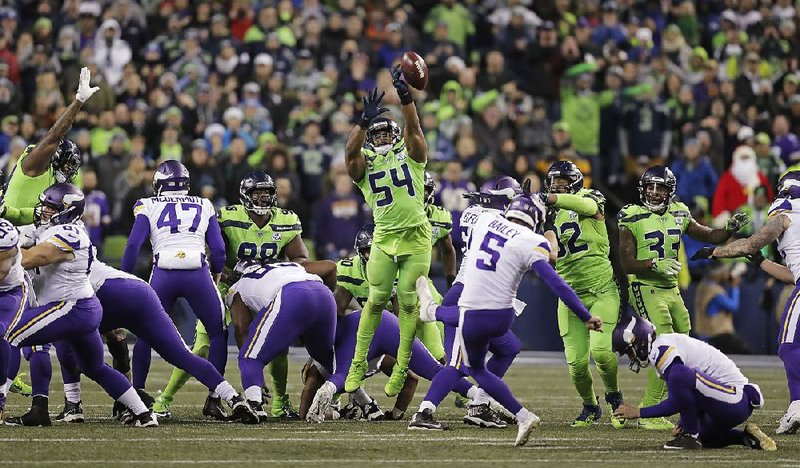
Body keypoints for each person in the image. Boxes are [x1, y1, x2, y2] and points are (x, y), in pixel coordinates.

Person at [415, 194, 602, 446]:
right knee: (485, 363)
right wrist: (585, 315)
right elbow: (555, 281)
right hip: (502, 314)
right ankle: (510, 412)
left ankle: (431, 311)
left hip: (475, 308)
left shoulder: (484, 222)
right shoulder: (532, 240)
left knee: (468, 358)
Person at [152, 171, 307, 420]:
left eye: (266, 193)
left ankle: (281, 402)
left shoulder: (285, 220)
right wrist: (227, 275)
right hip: (227, 287)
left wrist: (275, 270)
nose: (262, 198)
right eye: (256, 193)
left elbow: (301, 257)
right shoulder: (228, 217)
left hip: (264, 287)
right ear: (245, 195)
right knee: (202, 347)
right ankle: (164, 400)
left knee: (278, 344)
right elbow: (209, 255)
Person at [3, 183, 155, 427]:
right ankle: (144, 414)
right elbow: (22, 235)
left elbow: (32, 258)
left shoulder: (70, 234)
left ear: (67, 210)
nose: (44, 210)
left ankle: (0, 401)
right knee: (94, 367)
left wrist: (6, 250)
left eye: (51, 207)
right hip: (82, 308)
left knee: (9, 334)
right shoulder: (50, 228)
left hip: (71, 307)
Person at [52, 251, 258, 424]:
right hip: (139, 291)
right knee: (182, 355)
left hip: (109, 295)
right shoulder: (71, 245)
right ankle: (234, 398)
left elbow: (37, 258)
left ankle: (77, 405)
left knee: (67, 337)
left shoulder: (54, 254)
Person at [617, 166, 750, 430]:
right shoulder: (630, 216)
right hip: (646, 286)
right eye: (651, 187)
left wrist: (728, 229)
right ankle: (649, 408)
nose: (655, 193)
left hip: (671, 288)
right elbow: (627, 263)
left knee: (686, 341)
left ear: (670, 191)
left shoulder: (679, 212)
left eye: (661, 188)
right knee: (664, 342)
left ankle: (679, 399)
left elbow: (709, 235)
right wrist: (654, 263)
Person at [407, 176, 525, 430]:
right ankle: (424, 413)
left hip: (475, 293)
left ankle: (480, 405)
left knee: (509, 347)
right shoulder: (498, 222)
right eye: (513, 201)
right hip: (470, 295)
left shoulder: (474, 213)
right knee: (457, 365)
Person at [343, 67, 431, 397]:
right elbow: (350, 153)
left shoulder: (412, 155)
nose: (380, 139)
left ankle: (402, 367)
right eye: (374, 135)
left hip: (417, 236)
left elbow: (415, 130)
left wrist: (406, 98)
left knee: (408, 305)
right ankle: (356, 364)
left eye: (385, 134)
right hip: (383, 237)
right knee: (376, 300)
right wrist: (362, 122)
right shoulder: (365, 165)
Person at [693, 169, 800, 434]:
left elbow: (751, 243)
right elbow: (792, 274)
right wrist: (763, 263)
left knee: (788, 346)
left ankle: (798, 405)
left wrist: (715, 252)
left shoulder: (786, 212)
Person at [120, 160, 227, 417]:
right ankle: (215, 398)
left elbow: (133, 245)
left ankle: (138, 396)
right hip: (198, 273)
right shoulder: (205, 204)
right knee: (217, 333)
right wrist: (217, 271)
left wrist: (123, 276)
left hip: (164, 273)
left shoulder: (147, 204)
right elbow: (219, 248)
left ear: (158, 183)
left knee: (146, 334)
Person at [303, 309, 499, 427]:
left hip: (369, 326)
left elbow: (341, 376)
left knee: (347, 376)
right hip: (383, 323)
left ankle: (481, 398)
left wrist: (327, 391)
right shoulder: (361, 269)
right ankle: (480, 397)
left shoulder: (328, 356)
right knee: (435, 370)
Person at [612, 315, 776, 451]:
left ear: (640, 341)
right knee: (705, 438)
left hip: (735, 398)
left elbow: (677, 399)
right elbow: (687, 396)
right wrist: (685, 421)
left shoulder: (661, 350)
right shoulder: (663, 346)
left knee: (679, 375)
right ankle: (746, 438)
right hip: (726, 401)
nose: (631, 357)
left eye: (629, 351)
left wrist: (638, 412)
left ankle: (691, 436)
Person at [541, 161, 624, 428]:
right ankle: (590, 405)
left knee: (601, 352)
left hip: (602, 290)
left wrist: (552, 198)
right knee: (576, 364)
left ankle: (614, 398)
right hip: (571, 297)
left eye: (563, 183)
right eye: (554, 183)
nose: (557, 187)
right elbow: (548, 251)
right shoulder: (547, 215)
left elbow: (587, 208)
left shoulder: (590, 197)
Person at [228, 262, 335, 421]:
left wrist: (254, 378)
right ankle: (359, 400)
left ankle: (255, 404)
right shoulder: (289, 267)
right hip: (324, 294)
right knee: (328, 362)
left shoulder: (238, 286)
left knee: (249, 358)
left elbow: (241, 328)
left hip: (291, 295)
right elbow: (330, 267)